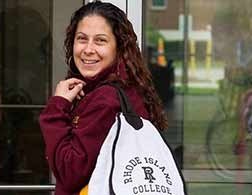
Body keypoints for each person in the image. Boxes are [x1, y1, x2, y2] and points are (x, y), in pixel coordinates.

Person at [39, 1, 167, 194]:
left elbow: (70, 172)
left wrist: (58, 106)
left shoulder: (106, 100)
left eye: (100, 40)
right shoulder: (129, 88)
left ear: (119, 48)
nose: (88, 49)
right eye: (82, 39)